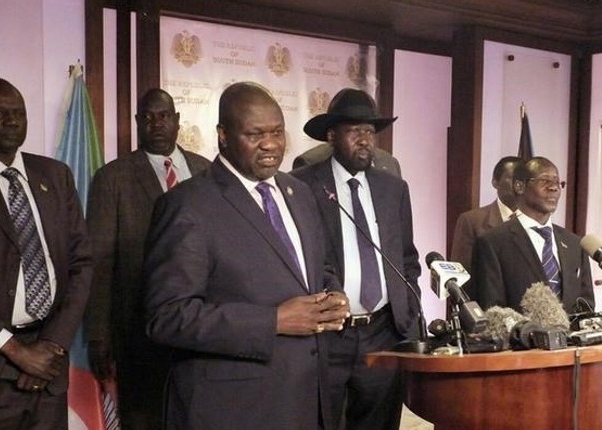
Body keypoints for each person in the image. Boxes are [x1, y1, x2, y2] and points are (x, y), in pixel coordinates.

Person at [143, 82, 350, 430]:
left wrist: (333, 295)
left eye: (277, 132)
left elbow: (319, 268)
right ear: (223, 135)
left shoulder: (299, 192)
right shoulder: (187, 205)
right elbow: (167, 316)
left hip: (307, 402)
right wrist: (273, 321)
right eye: (255, 134)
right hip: (234, 411)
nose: (270, 145)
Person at [0, 77, 92, 429]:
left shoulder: (55, 175)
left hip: (48, 369)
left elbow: (81, 264)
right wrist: (16, 352)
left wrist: (51, 346)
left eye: (19, 112)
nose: (12, 121)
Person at [291, 88, 421, 430]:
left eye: (370, 132)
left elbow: (407, 256)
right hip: (328, 331)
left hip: (382, 331)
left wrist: (409, 308)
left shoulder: (393, 188)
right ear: (332, 136)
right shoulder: (302, 185)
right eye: (354, 131)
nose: (365, 140)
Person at [84, 88, 210, 430]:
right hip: (138, 331)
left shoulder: (206, 171)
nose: (156, 124)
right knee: (144, 419)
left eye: (164, 116)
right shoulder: (113, 178)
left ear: (177, 121)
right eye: (148, 117)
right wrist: (97, 335)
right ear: (138, 123)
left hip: (202, 327)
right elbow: (99, 260)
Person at [469, 156, 594, 314]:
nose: (554, 188)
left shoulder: (574, 243)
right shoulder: (493, 242)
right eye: (545, 181)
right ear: (519, 186)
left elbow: (586, 306)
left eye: (557, 183)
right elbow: (492, 309)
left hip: (571, 338)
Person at [450, 155, 521, 271]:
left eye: (522, 179)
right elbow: (461, 272)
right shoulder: (471, 221)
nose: (518, 184)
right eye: (512, 178)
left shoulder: (534, 221)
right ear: (495, 182)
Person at [292, 142, 402, 178]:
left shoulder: (389, 163)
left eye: (368, 131)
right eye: (354, 130)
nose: (363, 141)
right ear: (332, 135)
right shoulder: (311, 162)